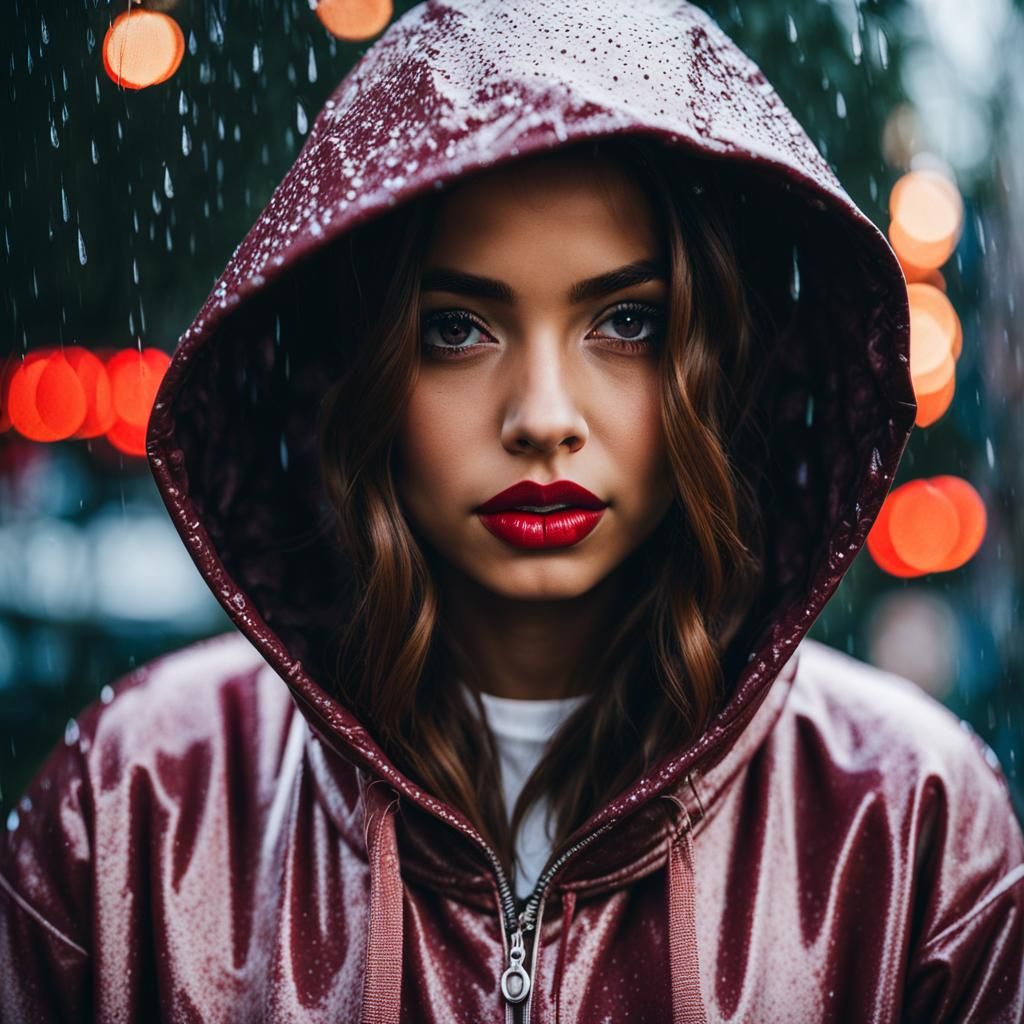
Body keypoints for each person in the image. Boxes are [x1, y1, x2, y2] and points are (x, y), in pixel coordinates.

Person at [2, 0, 1023, 1020]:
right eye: (456, 328)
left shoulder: (908, 824)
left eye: (626, 321)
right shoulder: (142, 802)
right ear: (361, 370)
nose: (542, 418)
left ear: (714, 363)